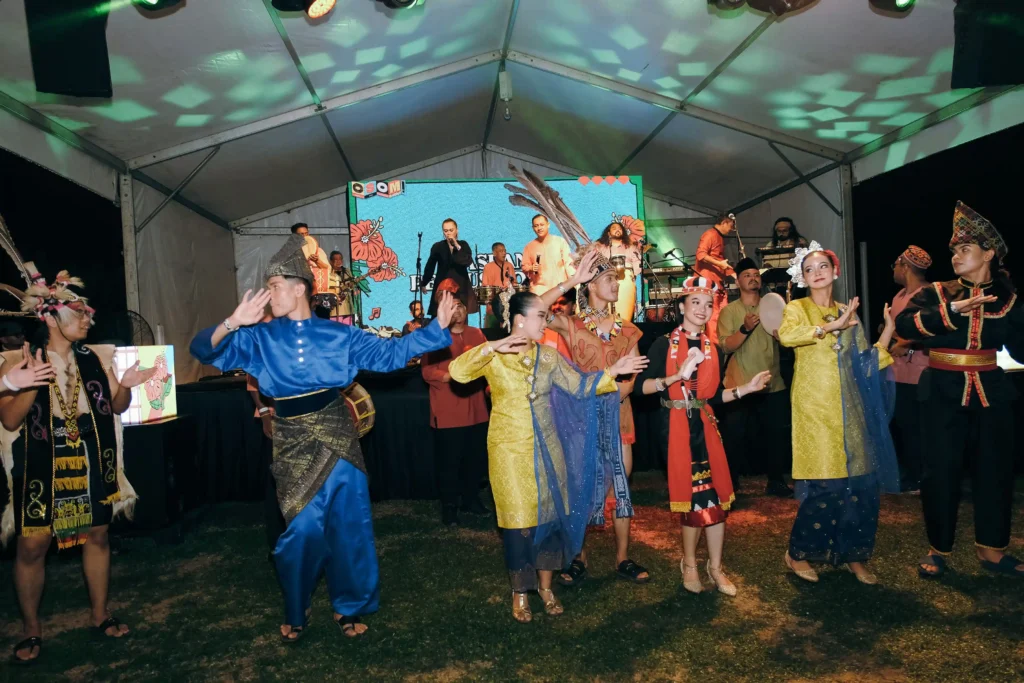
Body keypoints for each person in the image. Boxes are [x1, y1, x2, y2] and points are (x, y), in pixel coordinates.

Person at [190, 234, 457, 641]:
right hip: (292, 442)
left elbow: (390, 355)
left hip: (338, 437)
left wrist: (436, 329)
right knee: (301, 532)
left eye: (275, 286)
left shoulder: (338, 335)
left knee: (349, 526)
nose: (268, 295)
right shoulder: (258, 338)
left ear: (299, 289)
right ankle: (297, 606)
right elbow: (203, 351)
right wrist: (232, 322)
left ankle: (348, 607)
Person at [448, 289, 647, 622]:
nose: (546, 322)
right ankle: (520, 592)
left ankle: (545, 587)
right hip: (509, 452)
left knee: (548, 519)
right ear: (519, 320)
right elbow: (458, 372)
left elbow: (581, 387)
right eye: (540, 316)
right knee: (518, 523)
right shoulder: (494, 356)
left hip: (548, 451)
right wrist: (493, 346)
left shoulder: (549, 357)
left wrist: (613, 371)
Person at [0, 263, 157, 665]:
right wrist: (31, 382)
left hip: (91, 452)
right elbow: (11, 421)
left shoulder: (94, 357)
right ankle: (31, 628)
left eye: (87, 313)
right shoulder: (18, 361)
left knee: (98, 533)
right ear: (51, 318)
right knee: (33, 543)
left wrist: (126, 385)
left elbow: (116, 406)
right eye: (79, 313)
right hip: (41, 456)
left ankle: (100, 614)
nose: (89, 319)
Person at [895, 202, 1024, 579]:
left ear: (988, 254)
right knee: (940, 471)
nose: (955, 256)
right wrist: (953, 311)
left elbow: (1019, 348)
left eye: (965, 249)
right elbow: (905, 325)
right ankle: (938, 549)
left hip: (992, 393)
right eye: (953, 250)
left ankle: (992, 550)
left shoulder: (1008, 299)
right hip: (942, 392)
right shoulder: (937, 292)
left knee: (995, 470)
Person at [635, 276, 771, 596]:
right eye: (695, 302)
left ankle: (716, 567)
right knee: (694, 499)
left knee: (718, 497)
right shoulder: (663, 345)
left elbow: (714, 397)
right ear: (682, 306)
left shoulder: (713, 348)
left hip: (706, 426)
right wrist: (676, 376)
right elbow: (640, 388)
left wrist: (746, 389)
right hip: (676, 427)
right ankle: (690, 565)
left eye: (708, 304)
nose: (702, 309)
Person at [778, 241, 899, 585]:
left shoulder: (848, 311)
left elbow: (864, 362)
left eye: (822, 267)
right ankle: (798, 553)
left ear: (835, 272)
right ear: (802, 278)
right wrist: (830, 327)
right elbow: (787, 337)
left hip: (850, 410)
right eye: (809, 269)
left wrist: (888, 329)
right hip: (814, 410)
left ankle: (853, 555)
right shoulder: (797, 308)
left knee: (860, 484)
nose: (816, 273)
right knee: (826, 485)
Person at [539, 250, 650, 585]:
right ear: (590, 286)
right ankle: (578, 557)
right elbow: (537, 309)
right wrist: (572, 280)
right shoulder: (571, 325)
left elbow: (631, 379)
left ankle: (623, 557)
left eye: (616, 279)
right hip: (580, 423)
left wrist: (608, 398)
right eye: (609, 279)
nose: (616, 284)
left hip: (618, 419)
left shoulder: (628, 330)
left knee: (620, 486)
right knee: (581, 489)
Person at [717, 257, 793, 497]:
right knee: (734, 436)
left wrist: (784, 337)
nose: (753, 278)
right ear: (738, 282)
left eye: (756, 275)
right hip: (740, 384)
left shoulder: (773, 307)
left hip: (772, 382)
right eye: (747, 275)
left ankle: (776, 481)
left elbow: (786, 341)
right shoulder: (730, 311)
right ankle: (731, 483)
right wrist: (745, 328)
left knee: (776, 435)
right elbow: (726, 346)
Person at [421, 279, 489, 527]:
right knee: (449, 463)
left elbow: (489, 365)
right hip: (448, 411)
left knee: (475, 458)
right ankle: (449, 507)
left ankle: (471, 499)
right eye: (452, 307)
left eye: (460, 305)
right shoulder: (435, 337)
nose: (457, 310)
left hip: (477, 410)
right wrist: (449, 376)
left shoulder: (477, 334)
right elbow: (427, 372)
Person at [887, 246, 932, 494]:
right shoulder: (899, 296)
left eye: (895, 265)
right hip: (898, 372)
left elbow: (934, 329)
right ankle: (909, 473)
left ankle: (921, 477)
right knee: (904, 425)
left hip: (921, 373)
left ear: (905, 267)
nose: (893, 270)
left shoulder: (929, 294)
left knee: (919, 428)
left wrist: (906, 343)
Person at [421, 218, 479, 317]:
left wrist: (456, 245)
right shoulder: (438, 246)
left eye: (451, 230)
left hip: (461, 287)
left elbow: (467, 261)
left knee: (460, 317)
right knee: (441, 318)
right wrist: (424, 282)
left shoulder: (463, 245)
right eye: (446, 231)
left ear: (457, 230)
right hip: (443, 287)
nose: (448, 233)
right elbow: (430, 266)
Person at [695, 214, 736, 344]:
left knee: (724, 313)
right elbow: (701, 255)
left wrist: (735, 275)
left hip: (718, 283)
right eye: (731, 226)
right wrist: (720, 264)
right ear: (724, 223)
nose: (731, 230)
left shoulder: (719, 237)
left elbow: (719, 259)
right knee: (713, 315)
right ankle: (715, 346)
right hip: (708, 281)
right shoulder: (710, 235)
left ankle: (724, 342)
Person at [594, 221, 642, 321]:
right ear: (608, 233)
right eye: (614, 228)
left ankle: (623, 325)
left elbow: (638, 265)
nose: (617, 230)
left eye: (620, 229)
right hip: (605, 282)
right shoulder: (601, 248)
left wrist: (632, 274)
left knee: (624, 317)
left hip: (625, 280)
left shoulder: (631, 247)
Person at [522, 214, 574, 295]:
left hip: (560, 289)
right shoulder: (529, 246)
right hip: (539, 290)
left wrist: (573, 283)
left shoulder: (560, 242)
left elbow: (568, 264)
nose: (539, 228)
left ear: (548, 225)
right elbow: (524, 267)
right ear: (533, 228)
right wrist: (531, 268)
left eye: (542, 225)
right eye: (536, 226)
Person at [481, 242, 516, 326]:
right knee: (492, 330)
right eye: (501, 251)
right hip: (493, 306)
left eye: (504, 251)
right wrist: (499, 290)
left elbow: (514, 283)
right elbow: (486, 287)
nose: (504, 253)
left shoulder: (509, 265)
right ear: (494, 253)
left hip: (508, 305)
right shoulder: (488, 267)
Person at [292, 223, 330, 296]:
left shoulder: (318, 251)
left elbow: (328, 269)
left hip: (317, 294)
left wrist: (317, 261)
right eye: (301, 234)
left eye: (306, 233)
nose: (305, 236)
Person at [327, 251, 356, 325]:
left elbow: (352, 286)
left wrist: (351, 286)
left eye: (340, 259)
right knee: (336, 329)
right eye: (336, 260)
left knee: (348, 328)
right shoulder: (328, 272)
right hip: (335, 309)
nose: (338, 261)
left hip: (347, 307)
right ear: (331, 261)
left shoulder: (346, 271)